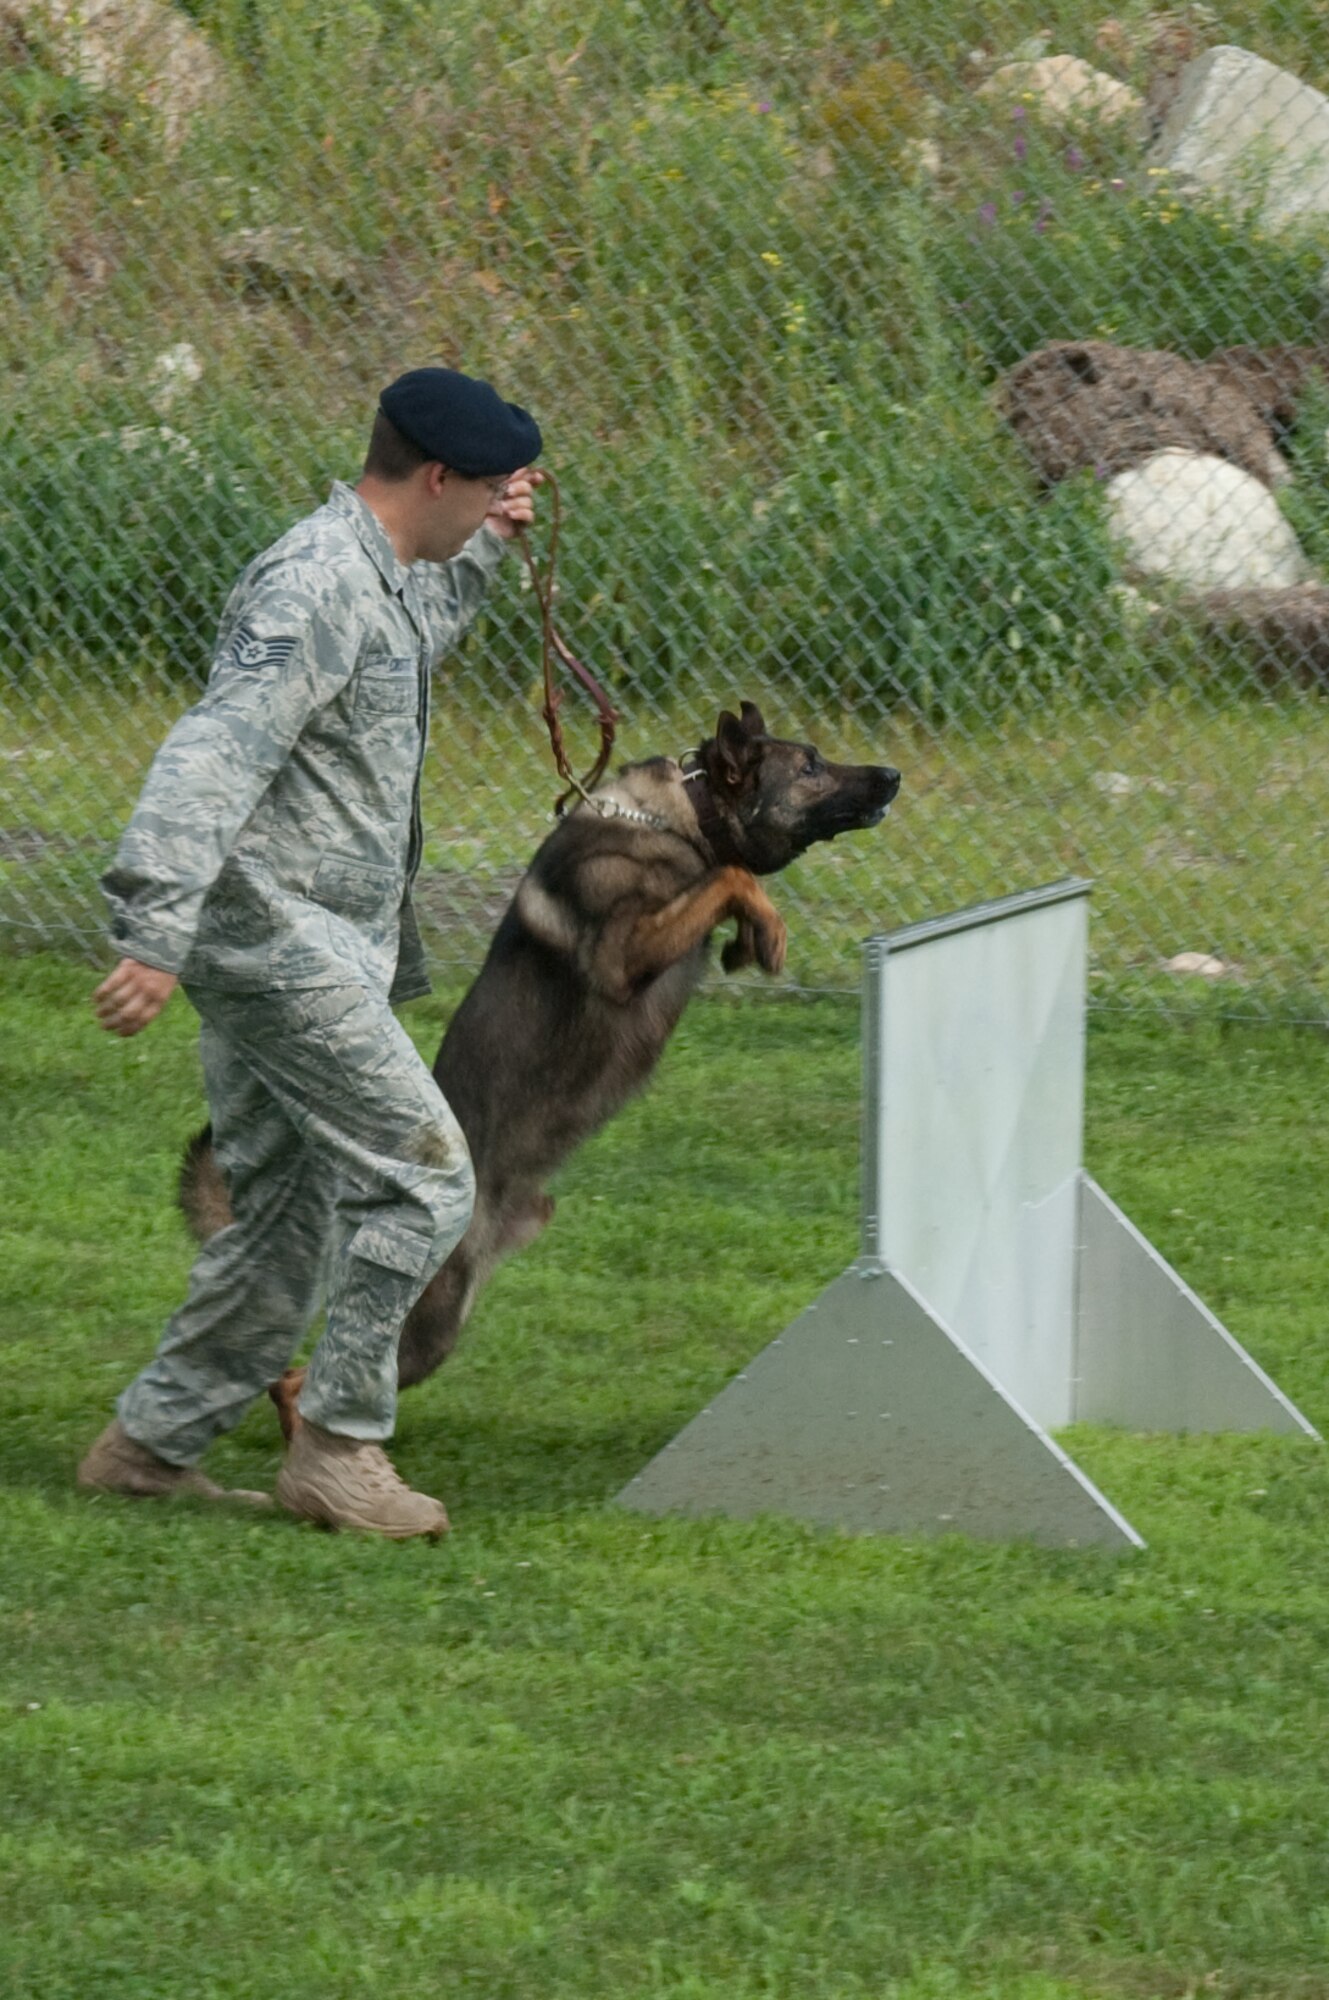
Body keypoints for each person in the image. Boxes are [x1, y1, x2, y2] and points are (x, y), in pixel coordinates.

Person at [78, 366, 542, 1540]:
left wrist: (485, 545)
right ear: (435, 473)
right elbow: (212, 752)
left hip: (317, 937)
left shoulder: (380, 573)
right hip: (274, 937)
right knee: (425, 1175)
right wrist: (156, 924)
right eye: (485, 488)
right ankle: (338, 1447)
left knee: (284, 1208)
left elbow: (412, 641)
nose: (497, 499)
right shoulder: (313, 582)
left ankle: (147, 1447)